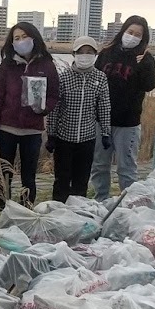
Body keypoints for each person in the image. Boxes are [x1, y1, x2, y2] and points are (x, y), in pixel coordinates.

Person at [0, 22, 60, 209]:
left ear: (34, 37)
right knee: (5, 174)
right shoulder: (7, 65)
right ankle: (4, 208)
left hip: (32, 130)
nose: (21, 41)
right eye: (16, 38)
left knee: (29, 175)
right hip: (6, 127)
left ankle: (26, 208)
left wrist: (43, 109)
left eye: (24, 36)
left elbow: (53, 95)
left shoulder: (47, 65)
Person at [92, 15, 155, 197]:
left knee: (126, 168)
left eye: (137, 34)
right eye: (130, 32)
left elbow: (149, 85)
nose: (132, 36)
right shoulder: (107, 53)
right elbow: (94, 77)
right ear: (123, 31)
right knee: (99, 165)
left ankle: (129, 203)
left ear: (142, 38)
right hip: (102, 120)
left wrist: (143, 65)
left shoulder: (144, 58)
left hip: (127, 123)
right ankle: (101, 199)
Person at [47, 36, 111, 202]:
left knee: (81, 180)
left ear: (95, 54)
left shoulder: (101, 78)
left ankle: (78, 212)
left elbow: (103, 106)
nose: (85, 55)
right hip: (64, 138)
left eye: (89, 52)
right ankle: (58, 210)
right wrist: (51, 134)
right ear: (74, 54)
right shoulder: (63, 77)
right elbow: (55, 108)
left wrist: (106, 132)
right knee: (62, 178)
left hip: (87, 138)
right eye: (81, 52)